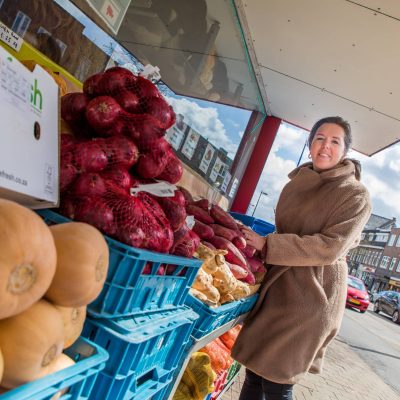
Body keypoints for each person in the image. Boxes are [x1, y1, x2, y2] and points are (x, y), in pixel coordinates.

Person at [231, 116, 372, 400]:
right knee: (255, 373)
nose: (325, 146)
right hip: (278, 290)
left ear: (345, 151)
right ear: (310, 145)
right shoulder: (295, 184)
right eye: (319, 138)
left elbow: (330, 247)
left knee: (278, 382)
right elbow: (287, 231)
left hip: (311, 297)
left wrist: (267, 244)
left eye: (335, 141)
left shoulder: (355, 195)